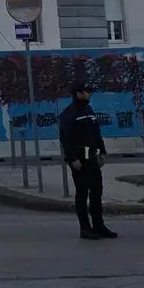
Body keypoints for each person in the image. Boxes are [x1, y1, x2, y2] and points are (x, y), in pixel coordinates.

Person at [58, 82, 114, 240]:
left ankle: (99, 226)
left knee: (97, 191)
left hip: (93, 158)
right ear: (78, 93)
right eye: (87, 91)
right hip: (79, 159)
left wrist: (102, 151)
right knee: (82, 193)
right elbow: (65, 138)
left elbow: (96, 133)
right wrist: (72, 159)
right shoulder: (69, 113)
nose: (89, 94)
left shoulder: (89, 110)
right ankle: (85, 228)